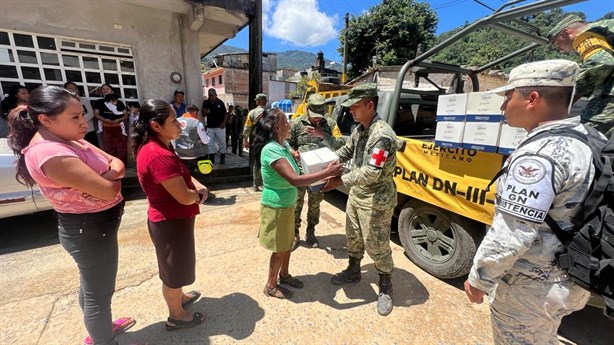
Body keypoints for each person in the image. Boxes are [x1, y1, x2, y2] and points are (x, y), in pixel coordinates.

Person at [464, 60, 594, 344]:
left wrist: (480, 278)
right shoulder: (584, 139)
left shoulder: (540, 155)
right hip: (566, 276)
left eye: (509, 97)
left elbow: (512, 232)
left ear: (532, 98)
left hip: (531, 286)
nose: (503, 107)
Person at [7, 86, 135, 345]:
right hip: (88, 229)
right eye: (75, 117)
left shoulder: (68, 139)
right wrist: (110, 176)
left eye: (82, 114)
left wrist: (109, 174)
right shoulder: (50, 152)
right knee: (99, 293)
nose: (83, 122)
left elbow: (116, 162)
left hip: (95, 226)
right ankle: (103, 339)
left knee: (92, 287)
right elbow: (111, 189)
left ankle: (101, 329)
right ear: (46, 119)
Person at [251, 108, 343, 299]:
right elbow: (295, 179)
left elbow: (295, 165)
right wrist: (326, 173)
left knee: (286, 244)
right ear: (277, 127)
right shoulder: (271, 150)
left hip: (286, 203)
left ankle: (284, 276)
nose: (290, 124)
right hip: (276, 206)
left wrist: (298, 156)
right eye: (286, 121)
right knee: (279, 249)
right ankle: (270, 285)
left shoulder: (282, 145)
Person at [132, 99, 208, 331]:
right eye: (174, 120)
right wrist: (198, 195)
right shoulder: (157, 154)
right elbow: (184, 196)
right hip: (170, 222)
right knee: (173, 272)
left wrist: (196, 185)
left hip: (174, 220)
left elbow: (181, 176)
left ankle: (180, 297)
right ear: (156, 125)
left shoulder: (162, 145)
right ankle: (176, 316)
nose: (180, 124)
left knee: (177, 266)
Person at [322, 83, 397, 316]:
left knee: (377, 244)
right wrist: (327, 163)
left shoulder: (382, 136)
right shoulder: (360, 129)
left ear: (370, 105)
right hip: (357, 195)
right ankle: (353, 270)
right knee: (353, 236)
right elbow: (346, 151)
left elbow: (371, 172)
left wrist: (339, 180)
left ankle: (385, 284)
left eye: (355, 107)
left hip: (376, 199)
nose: (350, 111)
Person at [288, 94, 345, 250]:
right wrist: (293, 152)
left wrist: (323, 135)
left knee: (315, 205)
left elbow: (341, 144)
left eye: (319, 117)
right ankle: (294, 233)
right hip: (300, 174)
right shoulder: (296, 123)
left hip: (320, 175)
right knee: (296, 204)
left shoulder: (330, 124)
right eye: (314, 117)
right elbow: (285, 143)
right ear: (307, 109)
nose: (317, 120)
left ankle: (311, 232)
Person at [548, 15, 614, 138]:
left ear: (566, 33)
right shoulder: (604, 30)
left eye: (558, 44)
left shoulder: (585, 36)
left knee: (585, 135)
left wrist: (568, 98)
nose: (561, 50)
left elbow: (602, 63)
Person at [94, 84, 128, 164]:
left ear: (112, 91)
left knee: (121, 147)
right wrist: (105, 120)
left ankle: (123, 165)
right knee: (109, 147)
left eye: (107, 89)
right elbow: (96, 114)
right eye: (103, 89)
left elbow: (126, 115)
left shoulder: (119, 102)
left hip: (119, 127)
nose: (105, 90)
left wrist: (118, 119)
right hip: (106, 127)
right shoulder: (99, 102)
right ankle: (113, 166)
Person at [175, 104, 210, 174]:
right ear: (194, 112)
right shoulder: (197, 123)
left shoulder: (176, 121)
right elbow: (205, 141)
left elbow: (172, 140)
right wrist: (208, 136)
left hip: (180, 155)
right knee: (206, 169)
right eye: (197, 114)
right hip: (195, 155)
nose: (197, 116)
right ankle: (206, 177)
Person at [243, 93, 267, 191]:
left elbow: (247, 127)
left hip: (256, 141)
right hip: (269, 141)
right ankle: (267, 184)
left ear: (257, 101)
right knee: (268, 162)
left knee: (257, 162)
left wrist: (245, 140)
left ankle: (255, 185)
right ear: (265, 101)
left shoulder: (252, 113)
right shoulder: (271, 112)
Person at [64, 81, 99, 147]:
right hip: (74, 131)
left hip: (89, 129)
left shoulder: (84, 101)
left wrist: (79, 120)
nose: (72, 90)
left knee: (93, 148)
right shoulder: (64, 103)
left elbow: (91, 113)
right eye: (70, 88)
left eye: (74, 88)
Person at [201, 88, 227, 164]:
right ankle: (212, 159)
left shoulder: (220, 103)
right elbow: (203, 113)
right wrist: (205, 113)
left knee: (222, 142)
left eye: (212, 95)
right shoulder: (206, 102)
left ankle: (222, 158)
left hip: (220, 126)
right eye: (209, 95)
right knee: (210, 143)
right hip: (210, 126)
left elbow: (225, 114)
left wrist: (223, 123)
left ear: (216, 95)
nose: (210, 96)